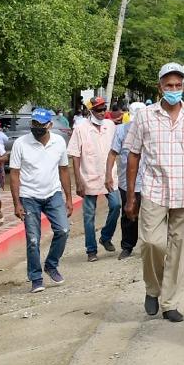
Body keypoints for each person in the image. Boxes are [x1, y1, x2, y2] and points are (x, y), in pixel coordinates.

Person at [126, 63, 184, 322]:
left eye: (177, 85)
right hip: (154, 189)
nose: (173, 90)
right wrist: (130, 195)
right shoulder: (145, 116)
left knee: (179, 248)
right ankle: (153, 288)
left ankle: (170, 302)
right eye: (168, 85)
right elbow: (133, 154)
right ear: (159, 87)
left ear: (182, 86)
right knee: (152, 243)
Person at [9, 108, 72, 294]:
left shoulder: (59, 142)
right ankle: (36, 278)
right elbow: (14, 174)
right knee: (33, 239)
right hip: (29, 197)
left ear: (49, 125)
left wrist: (69, 198)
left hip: (53, 194)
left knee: (63, 230)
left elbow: (64, 170)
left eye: (41, 125)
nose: (36, 128)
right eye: (34, 124)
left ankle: (51, 265)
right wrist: (16, 203)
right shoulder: (21, 144)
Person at [67, 97, 118, 262]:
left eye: (104, 109)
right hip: (89, 176)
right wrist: (78, 180)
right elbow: (75, 156)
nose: (102, 112)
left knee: (116, 205)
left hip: (109, 175)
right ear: (91, 111)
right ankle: (91, 250)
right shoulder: (81, 128)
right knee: (89, 215)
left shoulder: (110, 126)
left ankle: (105, 236)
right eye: (98, 110)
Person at [106, 103, 143, 260]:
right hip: (126, 181)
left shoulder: (152, 130)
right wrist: (108, 175)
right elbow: (113, 153)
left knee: (150, 215)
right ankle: (127, 246)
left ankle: (151, 246)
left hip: (149, 181)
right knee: (129, 214)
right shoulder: (121, 130)